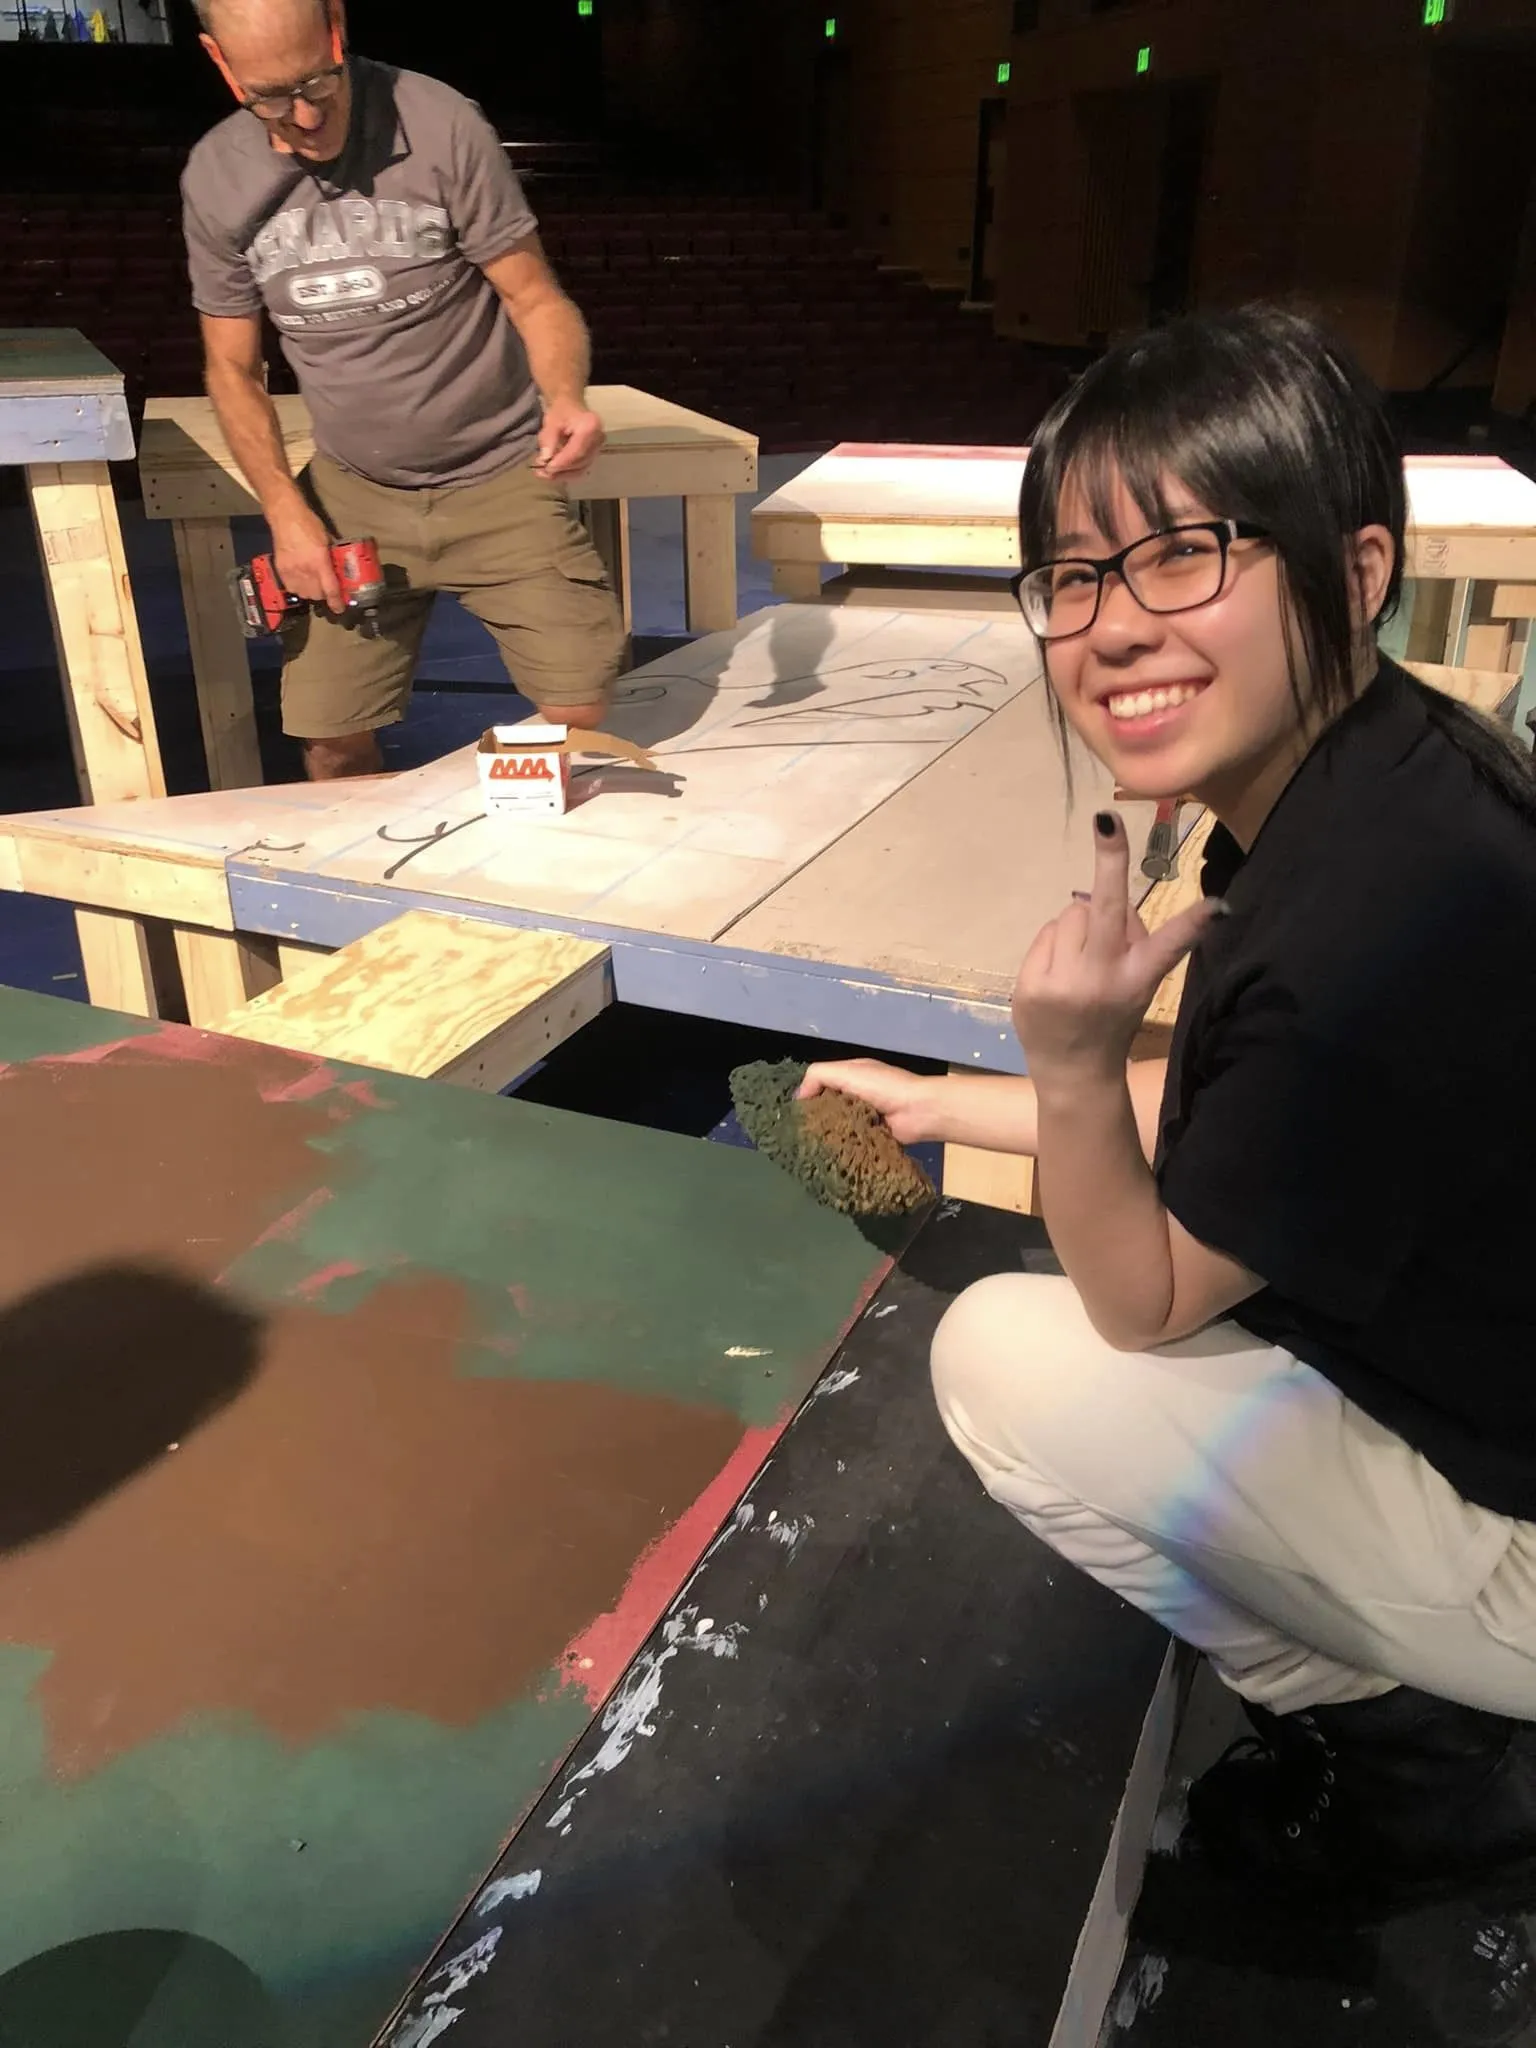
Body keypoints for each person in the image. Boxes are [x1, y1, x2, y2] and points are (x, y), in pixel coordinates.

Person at [804, 307, 1536, 1926]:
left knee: (1006, 1349)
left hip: (1517, 1526)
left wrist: (1064, 1062)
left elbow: (1144, 1288)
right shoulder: (1379, 781)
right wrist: (945, 1099)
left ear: (1354, 570)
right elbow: (1242, 1116)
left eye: (1183, 554)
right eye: (1072, 577)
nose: (1112, 627)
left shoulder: (1377, 914)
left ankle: (1426, 1767)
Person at [182, 0, 625, 779]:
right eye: (268, 97)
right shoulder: (217, 177)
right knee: (328, 736)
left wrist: (565, 397)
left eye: (318, 80)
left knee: (579, 703)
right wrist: (287, 513)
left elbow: (535, 297)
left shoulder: (441, 122)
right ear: (220, 63)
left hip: (499, 476)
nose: (305, 115)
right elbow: (231, 368)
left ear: (337, 31)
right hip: (355, 493)